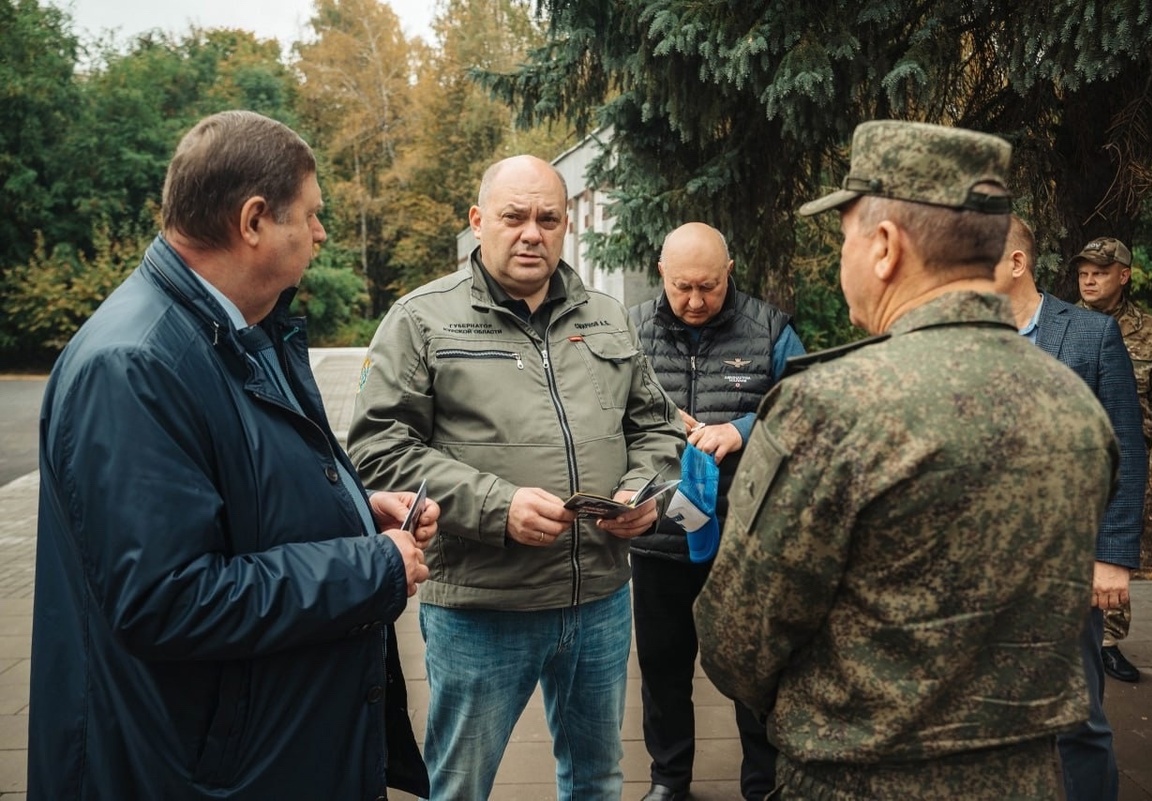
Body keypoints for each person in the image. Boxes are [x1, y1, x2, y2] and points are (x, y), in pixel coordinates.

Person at [693, 120, 1120, 800]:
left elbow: (737, 641)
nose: (843, 262)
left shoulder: (829, 406)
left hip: (859, 780)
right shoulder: (1074, 403)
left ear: (885, 247)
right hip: (1031, 779)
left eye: (844, 240)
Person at [28, 110, 434, 800]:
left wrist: (355, 513)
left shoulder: (237, 329)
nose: (321, 232)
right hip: (191, 768)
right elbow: (167, 596)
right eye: (310, 214)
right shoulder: (135, 365)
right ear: (253, 222)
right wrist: (370, 563)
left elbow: (229, 498)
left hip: (254, 752)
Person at [347, 154, 686, 800]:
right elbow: (378, 448)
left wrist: (649, 492)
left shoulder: (607, 317)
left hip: (601, 599)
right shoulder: (421, 320)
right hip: (483, 607)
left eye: (548, 218)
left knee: (597, 779)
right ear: (478, 222)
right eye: (514, 216)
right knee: (459, 785)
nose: (533, 232)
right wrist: (497, 505)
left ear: (565, 228)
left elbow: (659, 427)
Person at [627, 222, 805, 801]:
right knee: (662, 670)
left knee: (753, 673)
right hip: (659, 535)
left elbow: (807, 413)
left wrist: (742, 428)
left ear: (729, 272)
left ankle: (763, 786)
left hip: (745, 539)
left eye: (708, 286)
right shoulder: (629, 331)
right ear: (661, 274)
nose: (696, 301)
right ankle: (668, 782)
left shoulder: (771, 329)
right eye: (682, 288)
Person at [995, 215, 1146, 801]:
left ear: (1016, 262)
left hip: (1066, 562)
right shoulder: (961, 339)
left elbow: (1125, 453)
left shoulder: (1088, 336)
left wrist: (1111, 558)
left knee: (1077, 718)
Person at [1075, 236, 1152, 684]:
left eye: (1100, 272)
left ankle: (1107, 641)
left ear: (1124, 276)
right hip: (1073, 458)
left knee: (1116, 547)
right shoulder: (1059, 323)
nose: (1088, 279)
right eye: (1083, 272)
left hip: (1128, 460)